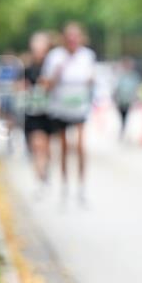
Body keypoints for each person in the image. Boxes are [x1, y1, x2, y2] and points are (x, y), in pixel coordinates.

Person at [42, 22, 96, 206]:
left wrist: (92, 82)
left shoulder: (87, 55)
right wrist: (57, 74)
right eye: (69, 37)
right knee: (64, 148)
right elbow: (46, 85)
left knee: (81, 147)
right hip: (60, 108)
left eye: (76, 36)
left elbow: (91, 81)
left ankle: (82, 188)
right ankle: (65, 187)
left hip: (80, 107)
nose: (73, 40)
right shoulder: (55, 56)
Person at [23, 32, 54, 195]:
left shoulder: (51, 67)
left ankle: (45, 171)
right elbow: (19, 86)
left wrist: (48, 85)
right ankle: (39, 177)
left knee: (45, 147)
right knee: (36, 145)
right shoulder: (27, 68)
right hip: (32, 111)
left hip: (48, 112)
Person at [112, 57, 141, 140]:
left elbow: (136, 88)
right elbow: (116, 88)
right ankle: (123, 130)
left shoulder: (134, 76)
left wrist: (136, 98)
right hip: (121, 101)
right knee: (122, 117)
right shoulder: (121, 75)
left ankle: (123, 130)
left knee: (126, 117)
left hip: (128, 101)